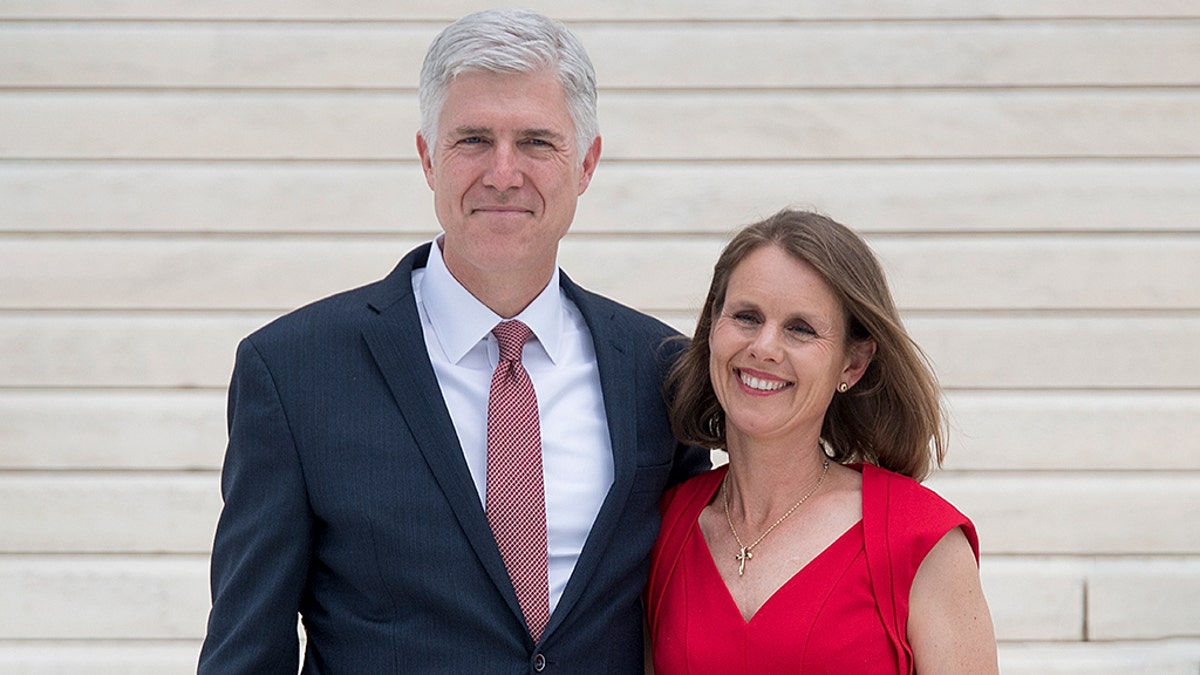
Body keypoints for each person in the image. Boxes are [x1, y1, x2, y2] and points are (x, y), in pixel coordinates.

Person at [198, 9, 708, 674]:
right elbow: (246, 650)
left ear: (585, 163)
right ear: (426, 157)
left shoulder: (661, 372)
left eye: (535, 142)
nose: (502, 173)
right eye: (472, 139)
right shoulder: (295, 372)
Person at [645, 209, 998, 673]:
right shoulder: (665, 528)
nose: (765, 347)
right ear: (713, 327)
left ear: (853, 364)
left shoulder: (920, 540)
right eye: (747, 317)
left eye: (801, 329)